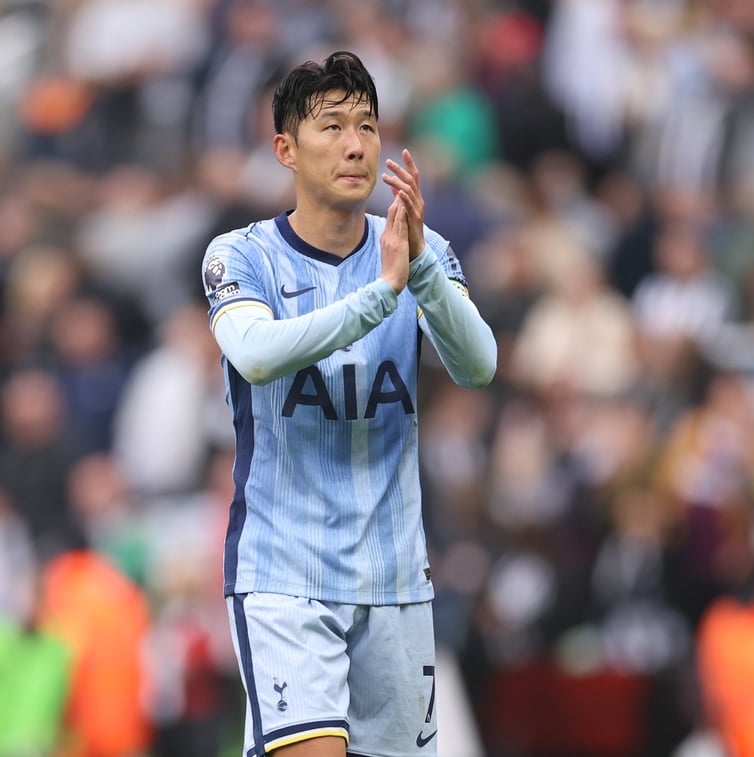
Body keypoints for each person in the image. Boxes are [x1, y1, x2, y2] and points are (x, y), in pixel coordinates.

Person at [199, 51, 497, 757]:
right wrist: (378, 296)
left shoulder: (417, 250)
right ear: (285, 149)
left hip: (396, 579)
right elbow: (258, 353)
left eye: (367, 124)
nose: (356, 143)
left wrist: (418, 266)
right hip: (284, 575)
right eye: (330, 126)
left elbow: (478, 365)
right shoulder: (239, 256)